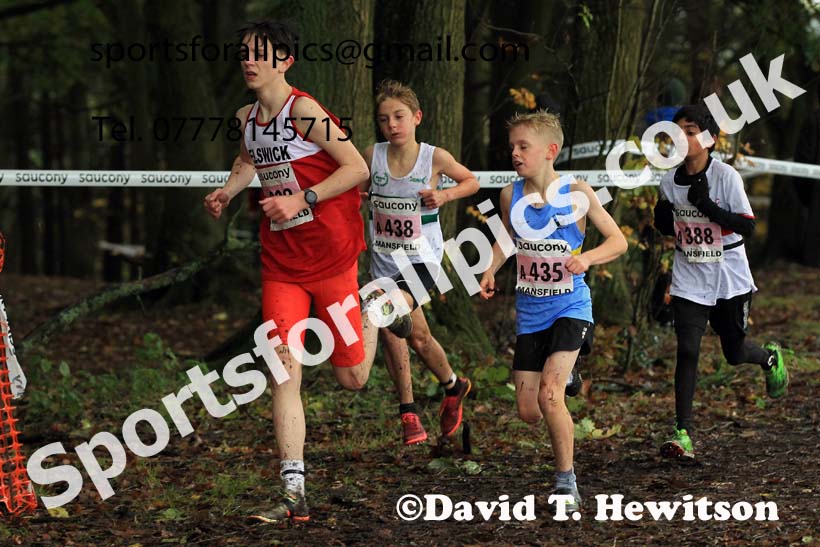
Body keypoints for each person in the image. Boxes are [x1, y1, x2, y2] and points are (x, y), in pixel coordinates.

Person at [204, 20, 408, 524]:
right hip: (282, 264)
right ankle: (293, 491)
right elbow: (249, 159)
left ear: (285, 61)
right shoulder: (246, 117)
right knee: (282, 370)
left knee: (353, 377)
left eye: (260, 53)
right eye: (244, 52)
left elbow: (357, 168)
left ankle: (374, 306)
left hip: (333, 257)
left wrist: (304, 197)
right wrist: (228, 190)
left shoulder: (305, 112)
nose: (249, 60)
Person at [479, 111, 627, 513]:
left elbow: (618, 241)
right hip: (531, 311)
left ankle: (566, 482)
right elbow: (506, 240)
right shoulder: (510, 195)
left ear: (550, 151)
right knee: (529, 411)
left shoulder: (577, 192)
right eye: (512, 146)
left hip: (570, 306)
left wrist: (588, 258)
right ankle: (570, 375)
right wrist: (490, 269)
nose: (514, 153)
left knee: (549, 396)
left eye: (523, 146)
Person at [653, 104, 789, 460]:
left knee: (734, 352)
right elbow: (669, 227)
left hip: (729, 274)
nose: (683, 138)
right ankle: (682, 433)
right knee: (687, 349)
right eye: (678, 131)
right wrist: (662, 218)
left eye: (691, 131)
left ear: (710, 139)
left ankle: (768, 358)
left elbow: (748, 226)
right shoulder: (668, 181)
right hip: (689, 274)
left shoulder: (726, 176)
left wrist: (707, 205)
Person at [359, 80, 480, 445]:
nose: (391, 125)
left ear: (417, 117)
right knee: (418, 337)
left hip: (422, 259)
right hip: (384, 261)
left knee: (386, 313)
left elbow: (471, 182)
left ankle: (408, 412)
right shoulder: (372, 155)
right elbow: (356, 187)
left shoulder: (433, 157)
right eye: (384, 119)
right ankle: (454, 386)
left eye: (399, 117)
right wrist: (360, 196)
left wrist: (445, 195)